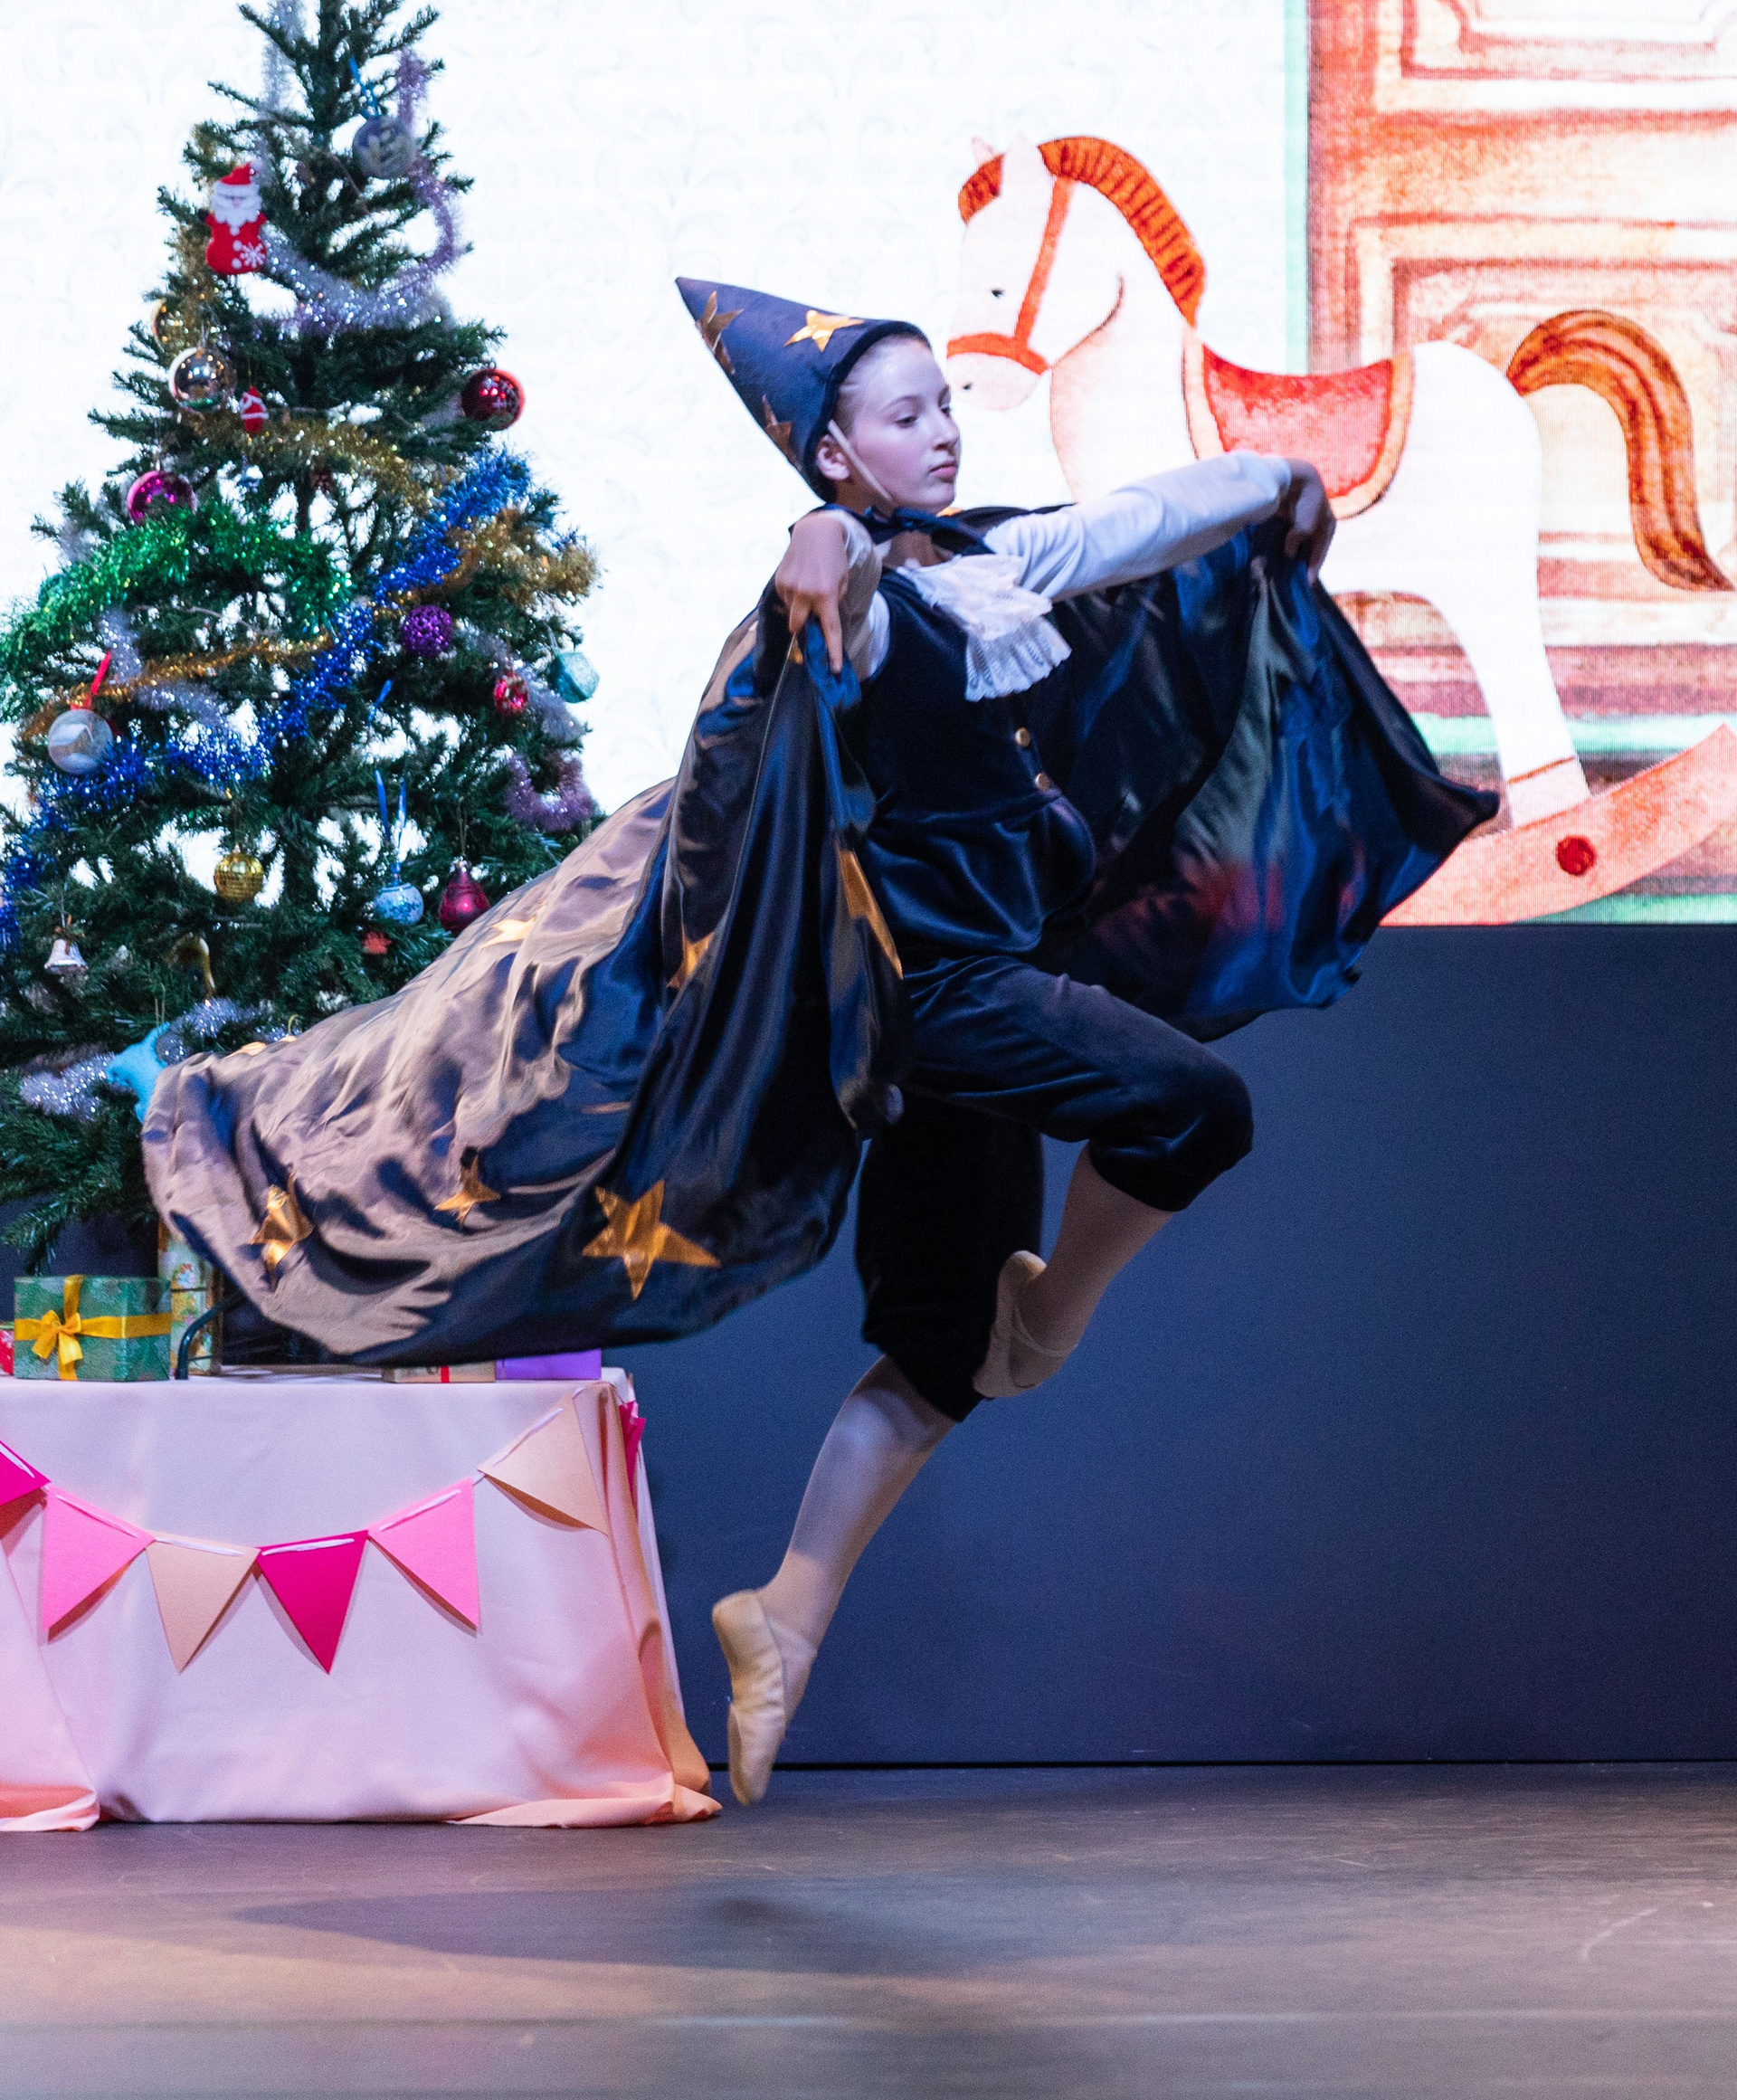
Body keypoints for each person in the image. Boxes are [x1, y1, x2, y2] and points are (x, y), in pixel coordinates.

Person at [146, 280, 1494, 1813]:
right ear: (839, 454)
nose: (942, 431)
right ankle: (1052, 1317)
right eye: (905, 416)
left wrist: (1275, 482)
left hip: (974, 1011)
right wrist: (818, 541)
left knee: (940, 1348)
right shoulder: (865, 604)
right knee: (1197, 1107)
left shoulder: (990, 564)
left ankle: (782, 1614)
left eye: (945, 405)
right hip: (939, 993)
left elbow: (1132, 522)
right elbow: (837, 569)